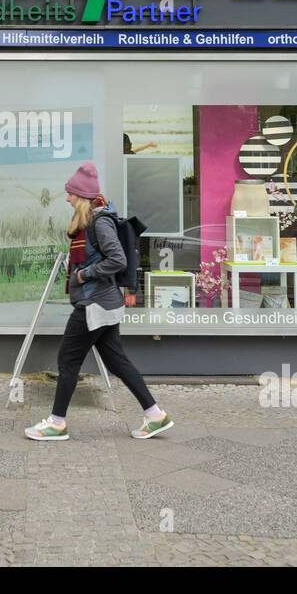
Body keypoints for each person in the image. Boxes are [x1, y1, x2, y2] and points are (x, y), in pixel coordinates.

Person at [25, 162, 173, 442]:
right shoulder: (92, 221)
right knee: (117, 361)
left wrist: (83, 274)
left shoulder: (99, 222)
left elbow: (118, 259)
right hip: (104, 302)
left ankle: (56, 424)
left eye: (70, 194)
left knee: (68, 359)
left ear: (80, 196)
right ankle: (155, 415)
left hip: (94, 303)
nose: (66, 198)